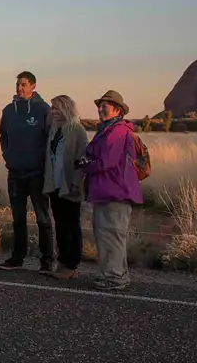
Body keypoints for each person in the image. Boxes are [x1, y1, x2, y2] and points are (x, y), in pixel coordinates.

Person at [77, 90, 143, 291]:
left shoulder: (117, 131)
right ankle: (116, 274)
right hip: (107, 190)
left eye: (105, 105)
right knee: (110, 234)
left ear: (117, 110)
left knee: (110, 234)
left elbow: (107, 161)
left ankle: (114, 277)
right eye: (100, 105)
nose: (100, 108)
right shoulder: (107, 130)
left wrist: (87, 165)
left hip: (115, 191)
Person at [0, 70, 54, 273]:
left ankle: (47, 260)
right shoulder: (9, 110)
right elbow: (2, 135)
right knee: (18, 218)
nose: (20, 88)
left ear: (33, 86)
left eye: (23, 85)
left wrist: (44, 164)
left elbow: (50, 139)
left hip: (37, 173)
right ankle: (17, 257)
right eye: (18, 85)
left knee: (42, 218)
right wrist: (8, 156)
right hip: (15, 172)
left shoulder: (43, 109)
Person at [42, 95, 90, 280]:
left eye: (57, 108)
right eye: (52, 108)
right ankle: (62, 262)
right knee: (60, 225)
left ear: (66, 109)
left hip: (70, 185)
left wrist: (76, 183)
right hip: (55, 184)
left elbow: (82, 159)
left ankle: (71, 264)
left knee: (71, 225)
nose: (53, 111)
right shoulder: (54, 130)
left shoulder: (77, 130)